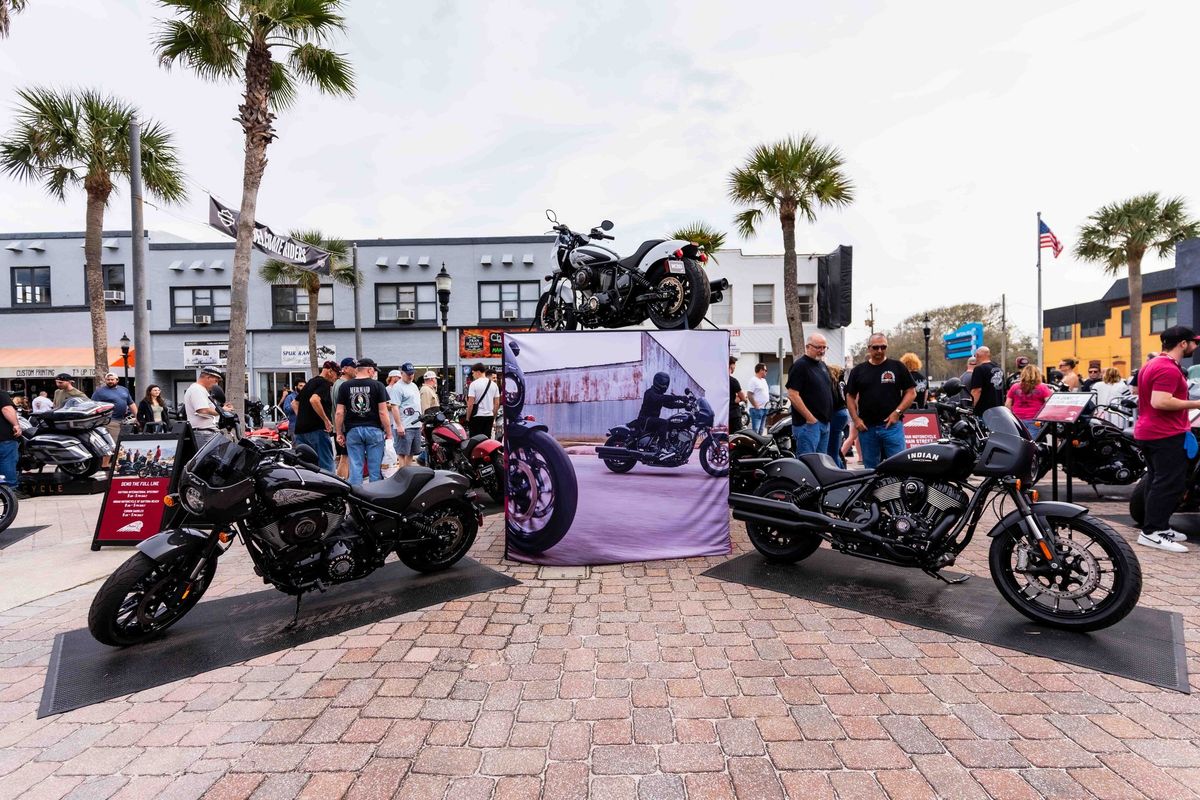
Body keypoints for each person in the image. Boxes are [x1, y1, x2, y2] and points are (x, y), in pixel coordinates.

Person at [1132, 326, 1200, 552]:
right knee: (1169, 483)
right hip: (1164, 433)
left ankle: (1158, 528)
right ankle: (1152, 532)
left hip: (1152, 432)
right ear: (1183, 343)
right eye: (1194, 342)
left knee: (1156, 481)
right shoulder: (1167, 368)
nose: (1195, 346)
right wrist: (1197, 404)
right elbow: (1160, 401)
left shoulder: (1153, 364)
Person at [846, 333, 916, 468]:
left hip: (892, 427)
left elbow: (911, 392)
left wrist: (897, 412)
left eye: (883, 347)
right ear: (869, 348)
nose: (879, 351)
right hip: (867, 428)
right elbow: (850, 396)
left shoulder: (897, 367)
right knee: (871, 469)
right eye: (876, 347)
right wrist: (856, 420)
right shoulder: (858, 371)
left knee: (900, 466)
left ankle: (896, 490)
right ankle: (875, 490)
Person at [335, 358, 390, 486]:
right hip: (374, 430)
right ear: (370, 370)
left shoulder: (345, 386)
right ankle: (374, 500)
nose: (374, 373)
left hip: (353, 431)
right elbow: (383, 412)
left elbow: (339, 412)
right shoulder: (378, 385)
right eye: (374, 371)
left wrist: (339, 433)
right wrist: (389, 433)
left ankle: (355, 501)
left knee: (355, 469)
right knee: (375, 470)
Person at [786, 334, 832, 455]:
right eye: (818, 347)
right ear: (808, 347)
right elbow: (792, 394)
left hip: (824, 424)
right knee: (807, 464)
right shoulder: (800, 366)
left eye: (824, 347)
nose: (821, 351)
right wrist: (810, 419)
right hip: (808, 425)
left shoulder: (822, 365)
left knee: (821, 465)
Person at [293, 361, 338, 473]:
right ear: (330, 371)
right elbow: (314, 399)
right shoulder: (324, 383)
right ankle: (329, 489)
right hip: (317, 431)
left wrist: (303, 418)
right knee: (326, 467)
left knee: (306, 467)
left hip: (301, 431)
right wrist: (326, 420)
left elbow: (294, 403)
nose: (337, 378)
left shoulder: (310, 382)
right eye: (337, 374)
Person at [637, 371, 689, 456]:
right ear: (657, 382)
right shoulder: (650, 393)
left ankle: (669, 445)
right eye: (663, 383)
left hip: (652, 421)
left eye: (665, 383)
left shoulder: (659, 395)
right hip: (645, 420)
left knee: (670, 424)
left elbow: (670, 405)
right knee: (664, 422)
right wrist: (680, 397)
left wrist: (685, 406)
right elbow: (660, 398)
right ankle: (662, 448)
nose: (664, 385)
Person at [92, 373, 135, 460]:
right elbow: (93, 404)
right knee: (112, 443)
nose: (110, 381)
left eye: (112, 379)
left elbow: (131, 404)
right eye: (108, 380)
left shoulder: (124, 390)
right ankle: (107, 465)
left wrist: (137, 417)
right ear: (105, 380)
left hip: (123, 421)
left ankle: (113, 464)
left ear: (117, 380)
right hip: (110, 420)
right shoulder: (99, 391)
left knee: (120, 444)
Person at [389, 363, 423, 468]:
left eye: (412, 373)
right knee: (402, 453)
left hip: (415, 424)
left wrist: (421, 422)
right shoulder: (397, 387)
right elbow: (394, 407)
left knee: (411, 452)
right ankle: (403, 475)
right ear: (402, 373)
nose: (410, 376)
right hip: (405, 425)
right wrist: (399, 425)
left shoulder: (413, 385)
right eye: (408, 374)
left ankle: (409, 473)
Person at [1005, 365, 1052, 437]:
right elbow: (1049, 403)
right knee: (1033, 444)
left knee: (1020, 442)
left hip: (1017, 420)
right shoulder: (1042, 387)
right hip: (1035, 420)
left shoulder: (1015, 386)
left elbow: (1007, 405)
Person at [184, 367, 228, 443]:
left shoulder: (201, 390)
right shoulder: (197, 389)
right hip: (203, 433)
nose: (216, 384)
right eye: (216, 381)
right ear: (208, 377)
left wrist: (222, 409)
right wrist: (223, 410)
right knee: (210, 455)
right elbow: (203, 410)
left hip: (206, 432)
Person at [332, 357, 358, 479]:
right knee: (345, 458)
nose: (356, 370)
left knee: (345, 457)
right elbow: (341, 410)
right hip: (344, 427)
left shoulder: (338, 383)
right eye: (354, 368)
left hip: (341, 427)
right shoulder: (342, 385)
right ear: (346, 369)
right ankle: (342, 485)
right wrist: (340, 431)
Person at [465, 363, 499, 438]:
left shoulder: (473, 384)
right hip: (489, 417)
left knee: (475, 440)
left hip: (476, 417)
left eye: (473, 373)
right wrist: (493, 417)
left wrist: (467, 418)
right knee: (486, 440)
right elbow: (496, 404)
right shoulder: (494, 385)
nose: (473, 375)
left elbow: (470, 404)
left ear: (478, 372)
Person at [827, 364, 850, 467]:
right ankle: (841, 469)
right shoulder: (841, 382)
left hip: (836, 412)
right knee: (835, 449)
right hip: (843, 412)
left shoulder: (832, 382)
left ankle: (837, 471)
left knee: (831, 451)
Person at [969, 346, 1005, 413]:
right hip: (1000, 411)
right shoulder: (999, 369)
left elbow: (976, 391)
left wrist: (970, 407)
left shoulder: (979, 369)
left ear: (977, 355)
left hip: (985, 412)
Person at [0, 388, 20, 496]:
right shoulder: (1, 394)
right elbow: (7, 409)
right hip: (3, 437)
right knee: (7, 461)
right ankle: (10, 492)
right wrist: (16, 425)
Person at [745, 363, 770, 434]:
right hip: (756, 409)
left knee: (761, 430)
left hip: (765, 408)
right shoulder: (753, 380)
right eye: (765, 370)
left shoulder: (764, 380)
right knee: (755, 430)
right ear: (760, 370)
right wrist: (756, 406)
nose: (766, 372)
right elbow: (749, 394)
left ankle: (760, 445)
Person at [729, 357, 746, 433]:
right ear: (731, 366)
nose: (735, 367)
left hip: (723, 415)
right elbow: (743, 397)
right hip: (734, 415)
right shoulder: (733, 381)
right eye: (734, 364)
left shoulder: (719, 380)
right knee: (736, 437)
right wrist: (737, 398)